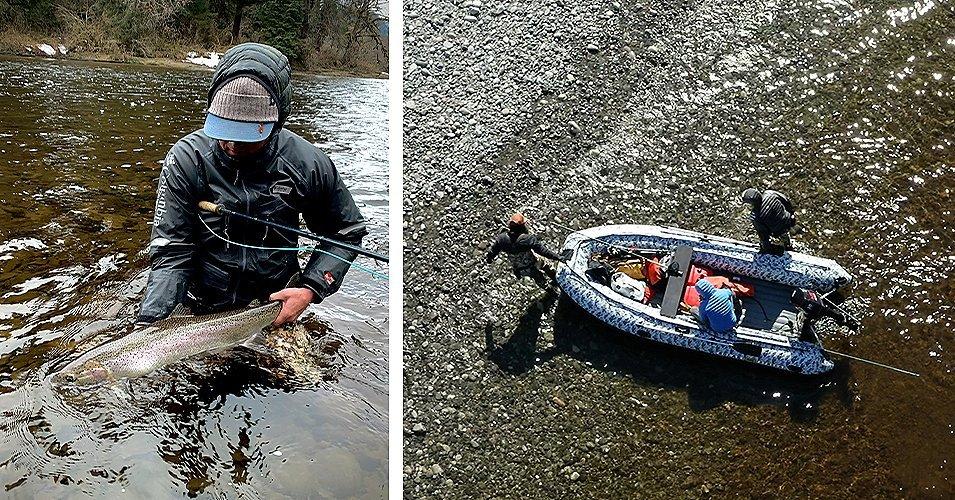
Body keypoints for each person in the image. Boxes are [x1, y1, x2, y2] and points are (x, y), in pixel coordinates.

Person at [137, 43, 366, 326]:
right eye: (224, 129)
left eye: (246, 136)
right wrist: (148, 325)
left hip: (274, 309)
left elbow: (346, 231)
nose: (232, 145)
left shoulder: (308, 164)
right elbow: (172, 252)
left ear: (277, 122)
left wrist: (310, 289)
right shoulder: (186, 160)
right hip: (201, 308)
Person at [486, 213, 564, 289]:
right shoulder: (527, 239)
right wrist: (558, 257)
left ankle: (552, 293)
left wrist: (489, 258)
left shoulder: (502, 239)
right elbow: (542, 251)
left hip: (521, 269)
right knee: (547, 266)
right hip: (534, 262)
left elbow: (492, 251)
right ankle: (558, 281)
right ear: (522, 227)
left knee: (539, 280)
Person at [741, 188, 795, 254]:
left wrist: (766, 248)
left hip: (779, 230)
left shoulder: (755, 217)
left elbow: (763, 235)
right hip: (788, 219)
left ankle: (787, 246)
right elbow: (786, 201)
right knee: (785, 233)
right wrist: (791, 213)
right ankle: (788, 244)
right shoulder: (769, 193)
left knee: (781, 234)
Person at [790, 289, 859, 341]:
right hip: (821, 305)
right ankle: (844, 321)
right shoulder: (807, 294)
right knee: (834, 314)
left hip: (819, 310)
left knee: (806, 324)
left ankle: (805, 339)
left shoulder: (808, 305)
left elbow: (811, 314)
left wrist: (808, 319)